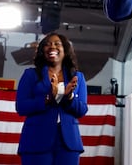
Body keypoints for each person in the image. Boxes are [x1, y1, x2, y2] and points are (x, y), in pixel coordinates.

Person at [16, 32, 88, 165]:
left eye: (57, 44)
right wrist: (48, 98)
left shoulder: (77, 77)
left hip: (68, 143)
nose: (52, 47)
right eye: (47, 44)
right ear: (42, 51)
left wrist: (69, 97)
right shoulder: (30, 75)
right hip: (36, 140)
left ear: (65, 51)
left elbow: (82, 109)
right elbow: (21, 106)